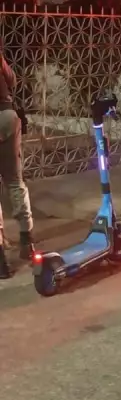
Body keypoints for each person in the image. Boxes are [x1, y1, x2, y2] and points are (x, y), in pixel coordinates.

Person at [0, 52, 35, 279]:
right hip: (6, 115)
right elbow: (11, 80)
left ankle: (1, 261)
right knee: (14, 181)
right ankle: (27, 242)